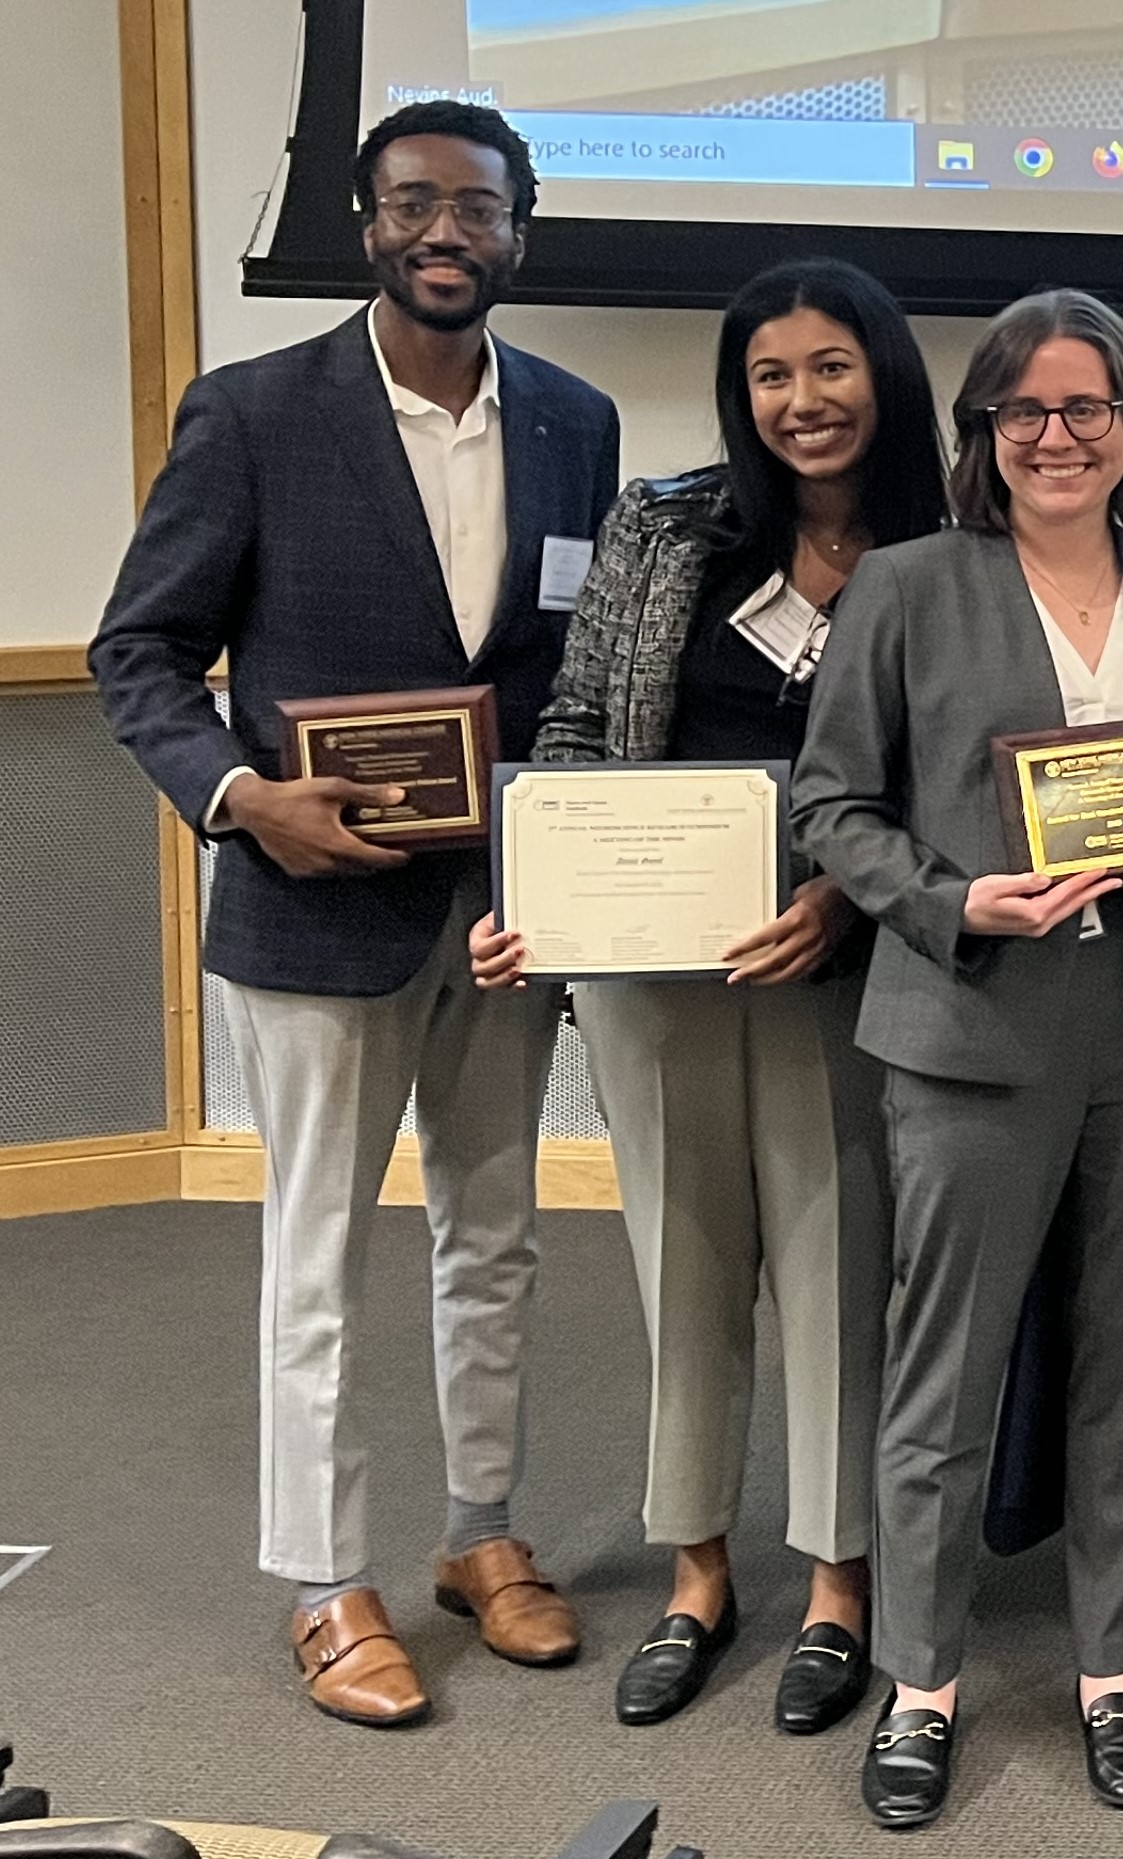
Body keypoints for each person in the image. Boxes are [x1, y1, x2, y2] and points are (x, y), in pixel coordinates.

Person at [87, 101, 620, 1728]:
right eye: (412, 205)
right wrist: (246, 801)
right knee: (314, 1256)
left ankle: (481, 1535)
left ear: (521, 231)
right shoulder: (250, 412)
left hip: (500, 917)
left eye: (477, 207)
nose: (444, 231)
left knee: (497, 1241)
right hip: (308, 916)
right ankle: (326, 1580)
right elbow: (142, 655)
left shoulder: (575, 423)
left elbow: (566, 667)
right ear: (365, 222)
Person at [790, 289, 1123, 1828]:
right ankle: (922, 1680)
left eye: (1090, 409)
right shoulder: (912, 585)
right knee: (950, 1371)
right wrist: (951, 900)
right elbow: (832, 807)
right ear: (984, 435)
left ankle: (1109, 1668)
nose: (1058, 436)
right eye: (1025, 412)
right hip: (972, 1026)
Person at [467, 258, 945, 1736]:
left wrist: (846, 902)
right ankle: (695, 1575)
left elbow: (973, 774)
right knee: (684, 1272)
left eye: (831, 368)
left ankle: (838, 1585)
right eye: (771, 376)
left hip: (846, 969)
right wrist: (535, 892)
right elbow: (571, 723)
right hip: (655, 971)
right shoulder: (667, 525)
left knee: (837, 1274)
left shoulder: (948, 541)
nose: (803, 402)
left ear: (885, 376)